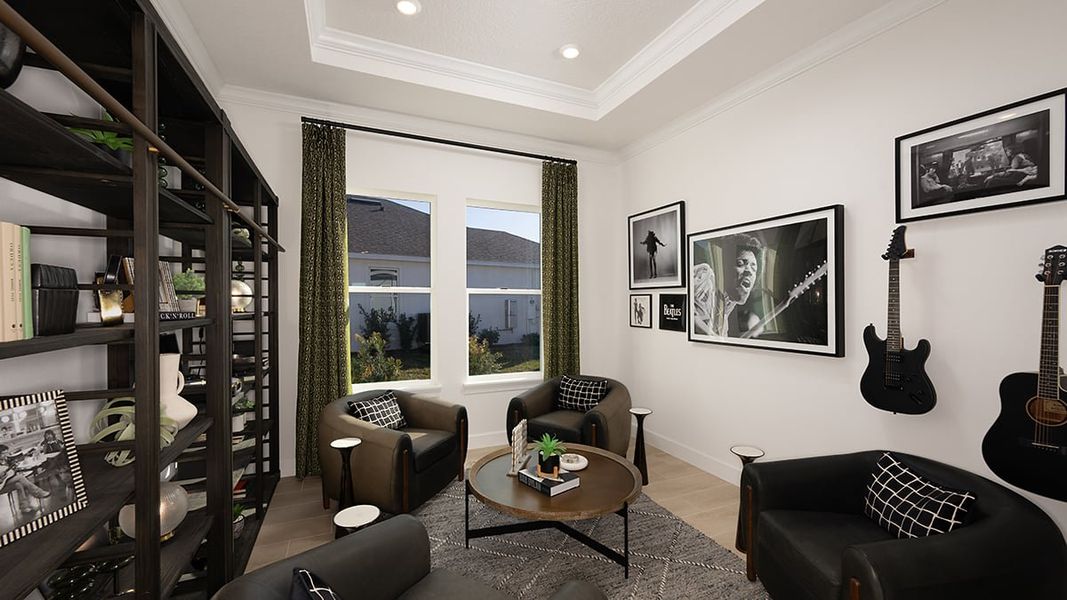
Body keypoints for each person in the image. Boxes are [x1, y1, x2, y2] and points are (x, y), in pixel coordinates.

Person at [692, 233, 764, 337]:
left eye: (754, 268)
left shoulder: (724, 312)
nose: (749, 271)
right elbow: (689, 314)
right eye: (740, 263)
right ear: (724, 266)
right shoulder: (706, 275)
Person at [0, 443, 50, 514]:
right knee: (20, 478)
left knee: (18, 484)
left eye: (6, 453)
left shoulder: (7, 460)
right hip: (1, 486)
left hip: (6, 482)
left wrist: (14, 467)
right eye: (3, 453)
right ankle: (38, 493)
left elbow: (10, 472)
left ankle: (24, 508)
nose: (6, 455)